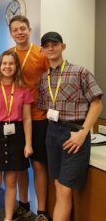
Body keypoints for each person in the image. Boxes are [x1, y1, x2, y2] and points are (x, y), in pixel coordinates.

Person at [38, 32, 103, 221]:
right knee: (59, 187)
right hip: (52, 133)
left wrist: (83, 132)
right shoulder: (43, 79)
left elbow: (97, 104)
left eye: (54, 44)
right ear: (42, 50)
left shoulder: (80, 72)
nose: (50, 48)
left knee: (65, 190)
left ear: (63, 46)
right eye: (46, 45)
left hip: (75, 133)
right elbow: (44, 109)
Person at [0, 51, 33, 221]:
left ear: (16, 67)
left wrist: (28, 144)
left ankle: (8, 218)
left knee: (11, 183)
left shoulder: (23, 89)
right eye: (4, 63)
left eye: (11, 63)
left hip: (16, 137)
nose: (7, 67)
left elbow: (27, 119)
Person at [8, 15, 50, 221]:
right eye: (15, 30)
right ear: (11, 33)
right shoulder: (8, 55)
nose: (19, 32)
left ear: (29, 29)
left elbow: (52, 83)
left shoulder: (41, 54)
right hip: (15, 118)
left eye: (23, 28)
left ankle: (41, 211)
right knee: (19, 165)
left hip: (38, 117)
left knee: (39, 165)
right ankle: (23, 204)